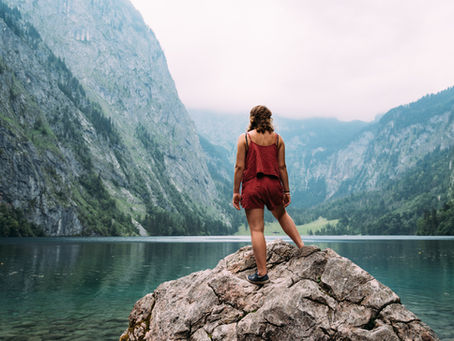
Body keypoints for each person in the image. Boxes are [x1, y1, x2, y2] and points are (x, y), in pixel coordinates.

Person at [232, 105, 304, 285]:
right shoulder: (278, 140)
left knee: (257, 229)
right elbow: (282, 167)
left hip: (253, 185)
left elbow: (239, 167)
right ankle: (303, 248)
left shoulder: (245, 139)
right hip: (273, 184)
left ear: (252, 119)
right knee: (281, 215)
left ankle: (262, 273)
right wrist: (286, 190)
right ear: (269, 119)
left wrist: (235, 192)